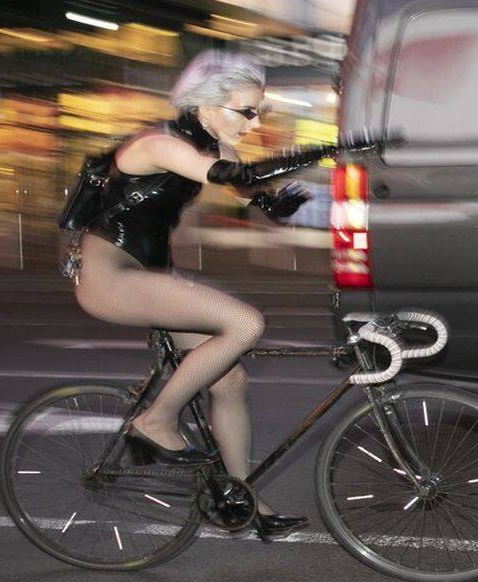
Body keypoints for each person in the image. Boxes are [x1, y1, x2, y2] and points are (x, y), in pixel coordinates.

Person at [73, 50, 333, 535]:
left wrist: (278, 202)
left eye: (261, 112)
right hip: (110, 275)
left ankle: (243, 503)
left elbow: (251, 190)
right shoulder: (158, 144)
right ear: (207, 106)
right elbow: (227, 177)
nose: (256, 123)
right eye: (247, 111)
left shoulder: (216, 147)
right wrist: (319, 150)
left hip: (149, 277)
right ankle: (155, 422)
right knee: (245, 323)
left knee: (230, 382)